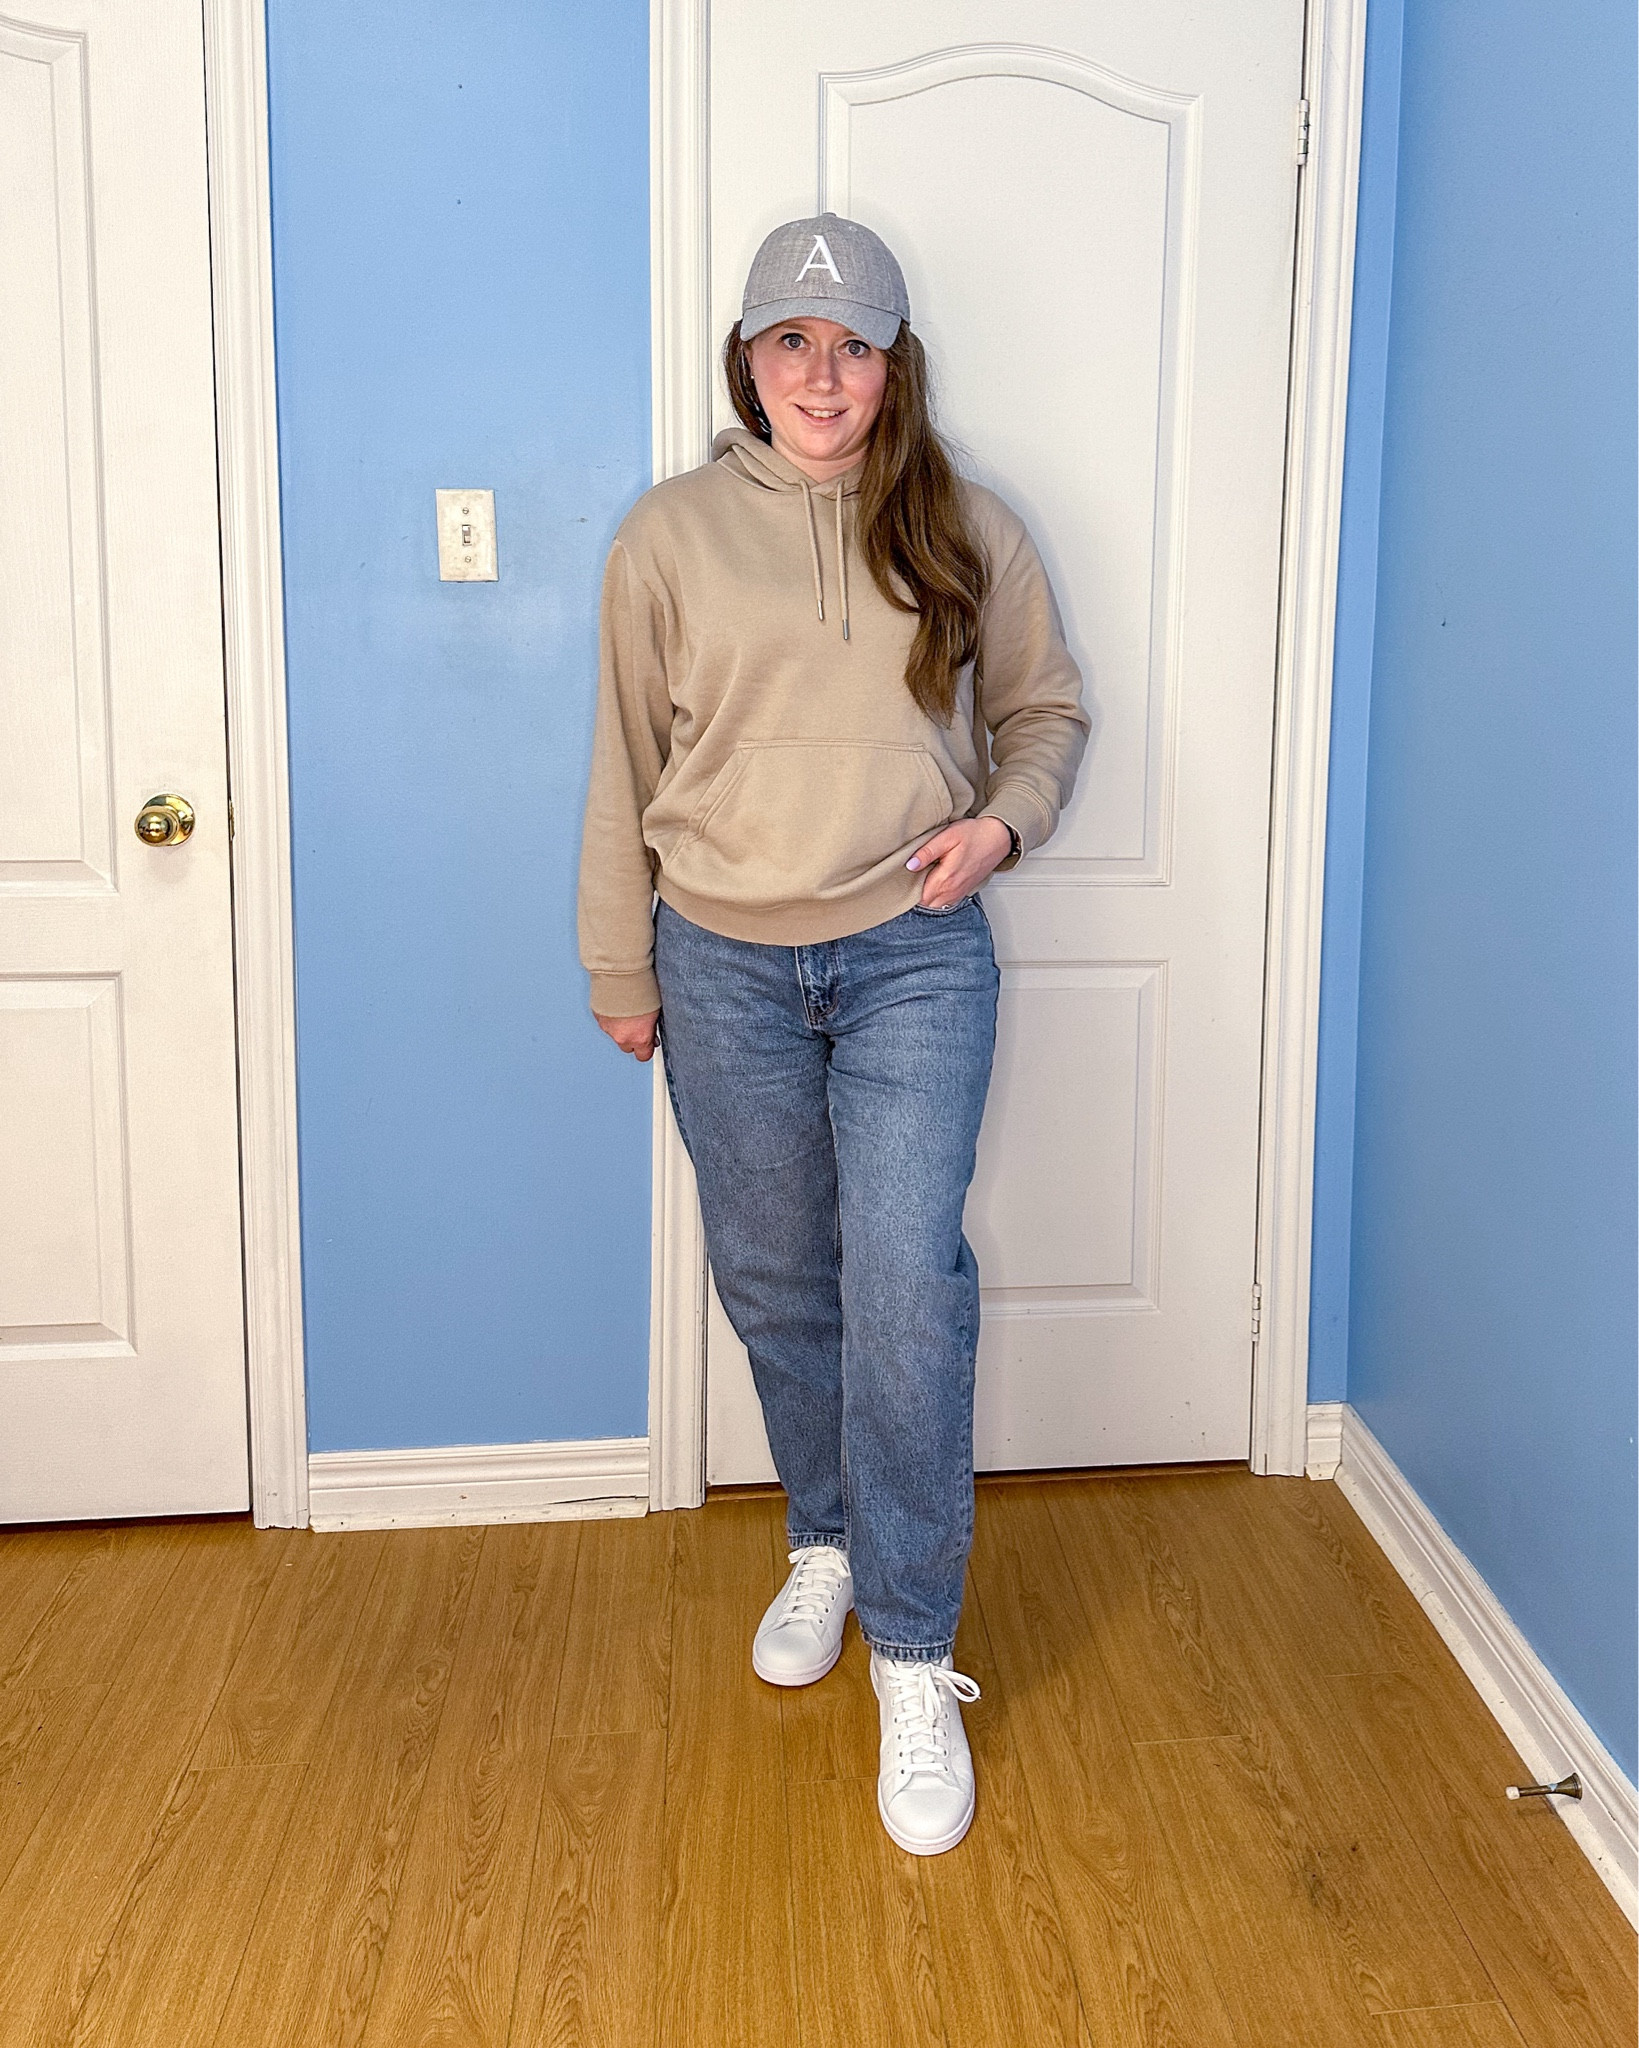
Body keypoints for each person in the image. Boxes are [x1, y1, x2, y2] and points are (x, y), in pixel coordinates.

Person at [578, 212, 1088, 1855]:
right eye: (791, 342)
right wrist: (618, 966)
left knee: (903, 1285)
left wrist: (1002, 825)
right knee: (779, 1278)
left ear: (893, 363)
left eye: (853, 344)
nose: (822, 373)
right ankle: (828, 1541)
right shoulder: (663, 538)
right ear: (747, 358)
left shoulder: (965, 526)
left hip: (913, 955)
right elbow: (621, 767)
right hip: (716, 962)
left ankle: (918, 1658)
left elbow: (1045, 712)